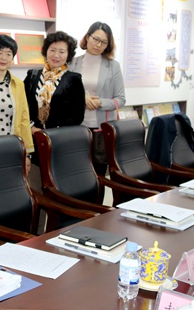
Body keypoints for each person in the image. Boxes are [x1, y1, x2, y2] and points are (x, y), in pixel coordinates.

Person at [23, 31, 85, 190]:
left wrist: (51, 133)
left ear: (68, 55)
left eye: (62, 51)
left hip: (59, 144)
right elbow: (23, 107)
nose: (56, 55)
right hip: (34, 141)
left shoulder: (74, 79)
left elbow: (77, 116)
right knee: (35, 187)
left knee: (57, 188)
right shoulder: (32, 76)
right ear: (46, 51)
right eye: (52, 50)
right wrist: (32, 128)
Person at [68, 22, 126, 175]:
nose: (98, 45)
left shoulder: (113, 66)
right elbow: (64, 93)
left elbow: (121, 99)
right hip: (77, 127)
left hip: (102, 129)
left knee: (99, 173)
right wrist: (82, 98)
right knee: (78, 172)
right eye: (95, 39)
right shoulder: (72, 63)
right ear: (87, 37)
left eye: (104, 42)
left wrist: (99, 103)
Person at [0, 34, 34, 167]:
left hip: (12, 147)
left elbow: (24, 118)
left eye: (9, 54)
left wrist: (27, 153)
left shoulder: (18, 84)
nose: (4, 58)